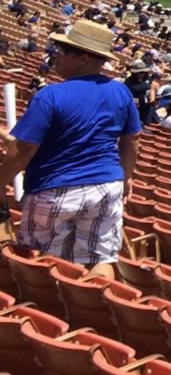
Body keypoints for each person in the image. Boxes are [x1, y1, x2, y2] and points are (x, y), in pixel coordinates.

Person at [0, 20, 140, 281]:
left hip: (54, 188)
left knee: (40, 260)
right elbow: (132, 141)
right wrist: (126, 177)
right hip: (106, 186)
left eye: (63, 52)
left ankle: (50, 313)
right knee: (100, 259)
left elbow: (24, 147)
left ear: (83, 58)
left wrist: (1, 181)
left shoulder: (50, 95)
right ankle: (99, 313)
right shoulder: (120, 91)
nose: (56, 57)